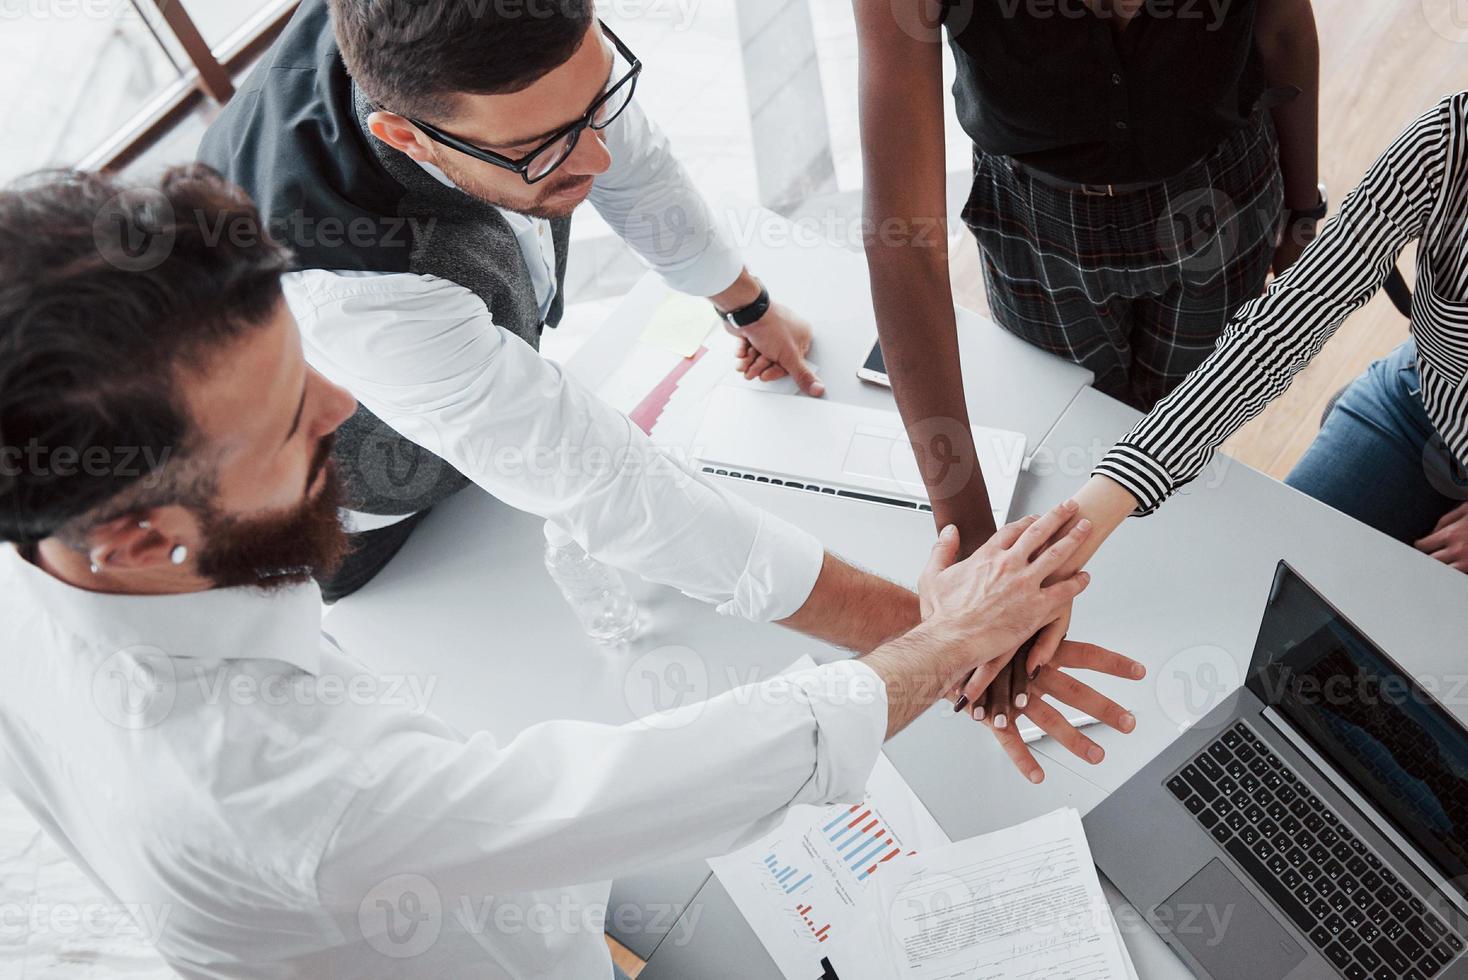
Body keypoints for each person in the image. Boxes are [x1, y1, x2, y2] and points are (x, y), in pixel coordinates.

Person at [0, 167, 1145, 977]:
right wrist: (940, 642)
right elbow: (619, 790)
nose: (346, 409)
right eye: (292, 422)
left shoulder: (78, 534)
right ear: (141, 535)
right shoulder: (279, 796)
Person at [198, 0, 827, 600]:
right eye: (539, 148)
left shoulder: (475, 48)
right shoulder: (352, 284)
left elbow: (637, 169)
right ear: (408, 138)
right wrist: (915, 638)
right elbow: (604, 485)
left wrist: (745, 303)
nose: (597, 156)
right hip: (371, 494)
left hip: (473, 391)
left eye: (596, 99)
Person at [851, 0, 1322, 713]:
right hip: (1038, 218)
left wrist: (1301, 202)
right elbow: (902, 242)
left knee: (1182, 448)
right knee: (1067, 441)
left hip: (1219, 195)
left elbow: (1282, 28)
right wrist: (982, 563)